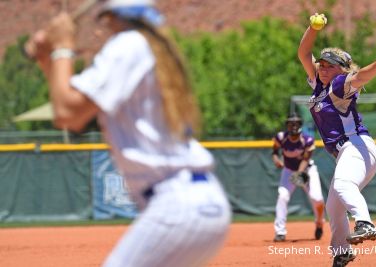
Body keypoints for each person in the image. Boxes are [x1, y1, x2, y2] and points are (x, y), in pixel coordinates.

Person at [30, 0, 231, 266]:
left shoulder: (127, 45)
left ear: (113, 16)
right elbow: (67, 106)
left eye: (104, 20)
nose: (101, 30)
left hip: (176, 204)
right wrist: (50, 56)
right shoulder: (147, 46)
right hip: (199, 201)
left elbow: (69, 114)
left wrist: (63, 46)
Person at [298, 13, 376, 267]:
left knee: (342, 185)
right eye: (321, 64)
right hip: (349, 153)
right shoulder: (318, 86)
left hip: (357, 147)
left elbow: (361, 76)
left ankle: (365, 223)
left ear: (341, 69)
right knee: (333, 206)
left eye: (330, 65)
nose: (323, 68)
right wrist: (312, 28)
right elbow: (303, 52)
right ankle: (341, 252)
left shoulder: (340, 84)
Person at [272, 113, 325, 242]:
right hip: (289, 170)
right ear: (287, 125)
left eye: (296, 123)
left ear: (300, 125)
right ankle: (280, 232)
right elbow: (275, 150)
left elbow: (306, 159)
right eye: (291, 123)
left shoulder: (307, 140)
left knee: (317, 199)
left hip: (307, 170)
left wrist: (300, 174)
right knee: (282, 196)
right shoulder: (281, 137)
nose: (293, 125)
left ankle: (319, 223)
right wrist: (276, 159)